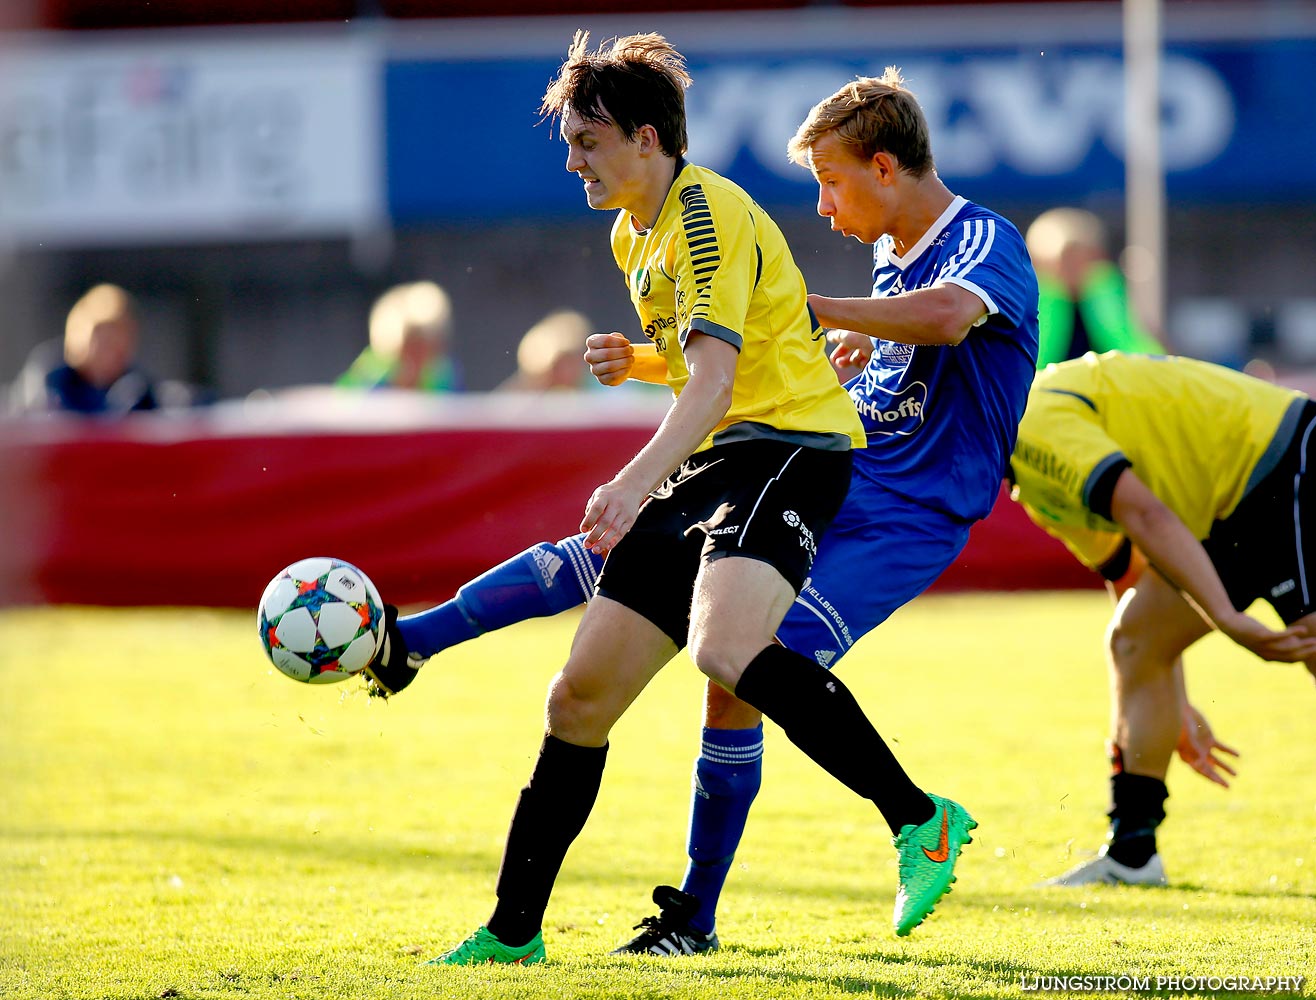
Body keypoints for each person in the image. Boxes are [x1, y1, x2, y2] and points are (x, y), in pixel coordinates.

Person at [366, 55, 1041, 958]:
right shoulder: (851, 257)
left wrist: (809, 313)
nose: (824, 210)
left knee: (745, 658)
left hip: (903, 503)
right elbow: (731, 358)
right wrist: (655, 361)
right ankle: (583, 918)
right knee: (616, 661)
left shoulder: (976, 240)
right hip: (821, 459)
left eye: (832, 184)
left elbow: (951, 319)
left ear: (885, 168)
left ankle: (908, 825)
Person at [1008, 350, 1316, 886]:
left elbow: (1147, 514)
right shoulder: (1029, 483)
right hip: (1228, 507)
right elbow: (1131, 577)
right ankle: (1133, 855)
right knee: (1136, 641)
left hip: (1284, 458)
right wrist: (1174, 706)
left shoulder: (1028, 421)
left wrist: (1225, 617)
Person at [1025, 208, 1163, 369]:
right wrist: (1053, 298)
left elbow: (1148, 361)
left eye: (1078, 256)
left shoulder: (1109, 297)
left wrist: (1102, 292)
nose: (1071, 268)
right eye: (1064, 258)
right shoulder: (1029, 303)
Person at [10, 283, 159, 415]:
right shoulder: (49, 381)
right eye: (102, 340)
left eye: (118, 341)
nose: (109, 353)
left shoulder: (137, 390)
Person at [337, 280, 462, 391]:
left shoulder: (443, 378)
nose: (415, 356)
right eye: (410, 347)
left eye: (422, 347)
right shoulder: (369, 376)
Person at [496, 309, 595, 392]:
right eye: (557, 366)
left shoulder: (601, 395)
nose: (565, 372)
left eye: (570, 362)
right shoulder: (515, 399)